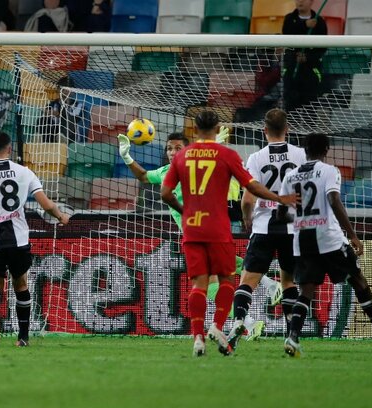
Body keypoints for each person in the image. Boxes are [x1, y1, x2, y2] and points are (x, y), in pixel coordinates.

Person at [160, 110, 297, 357]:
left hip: (192, 228)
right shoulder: (226, 154)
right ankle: (217, 325)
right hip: (218, 227)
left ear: (194, 130)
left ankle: (198, 338)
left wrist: (185, 210)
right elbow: (251, 186)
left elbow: (165, 193)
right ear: (218, 127)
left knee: (198, 286)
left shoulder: (181, 157)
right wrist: (278, 197)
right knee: (227, 280)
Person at [120, 129, 275, 342]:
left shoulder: (195, 168)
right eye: (169, 148)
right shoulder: (166, 171)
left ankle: (247, 322)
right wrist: (127, 157)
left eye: (178, 148)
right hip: (207, 230)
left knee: (208, 282)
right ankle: (269, 286)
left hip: (201, 230)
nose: (173, 152)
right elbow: (144, 176)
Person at [277, 133, 372, 357]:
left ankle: (293, 337)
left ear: (305, 149)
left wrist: (300, 220)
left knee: (307, 289)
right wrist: (353, 235)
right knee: (358, 280)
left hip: (303, 239)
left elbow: (281, 214)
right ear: (327, 149)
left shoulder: (290, 177)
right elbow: (334, 200)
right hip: (328, 238)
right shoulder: (329, 171)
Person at [0, 131, 69, 347]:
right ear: (10, 149)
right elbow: (45, 203)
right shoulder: (24, 173)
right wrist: (61, 216)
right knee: (20, 285)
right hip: (18, 240)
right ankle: (23, 337)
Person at [227, 109, 307, 350]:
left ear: (264, 131)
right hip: (292, 228)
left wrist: (247, 218)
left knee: (247, 281)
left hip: (263, 226)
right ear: (288, 129)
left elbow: (248, 198)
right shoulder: (301, 155)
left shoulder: (256, 158)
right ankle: (292, 335)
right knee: (289, 283)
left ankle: (240, 320)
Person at [282, 0, 327, 112]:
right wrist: (304, 25)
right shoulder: (289, 19)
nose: (300, 1)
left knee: (310, 108)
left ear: (311, 1)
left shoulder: (319, 21)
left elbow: (322, 47)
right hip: (292, 71)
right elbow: (287, 35)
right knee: (290, 108)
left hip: (311, 73)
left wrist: (308, 57)